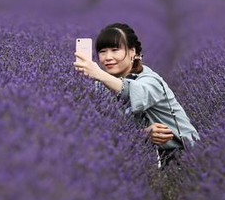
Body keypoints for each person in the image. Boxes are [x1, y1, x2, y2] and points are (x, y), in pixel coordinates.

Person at [73, 23, 199, 168]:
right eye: (102, 51)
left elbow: (136, 93)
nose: (108, 57)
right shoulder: (102, 86)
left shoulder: (150, 80)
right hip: (151, 158)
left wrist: (99, 74)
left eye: (115, 50)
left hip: (185, 155)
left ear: (132, 52)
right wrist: (142, 134)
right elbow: (108, 129)